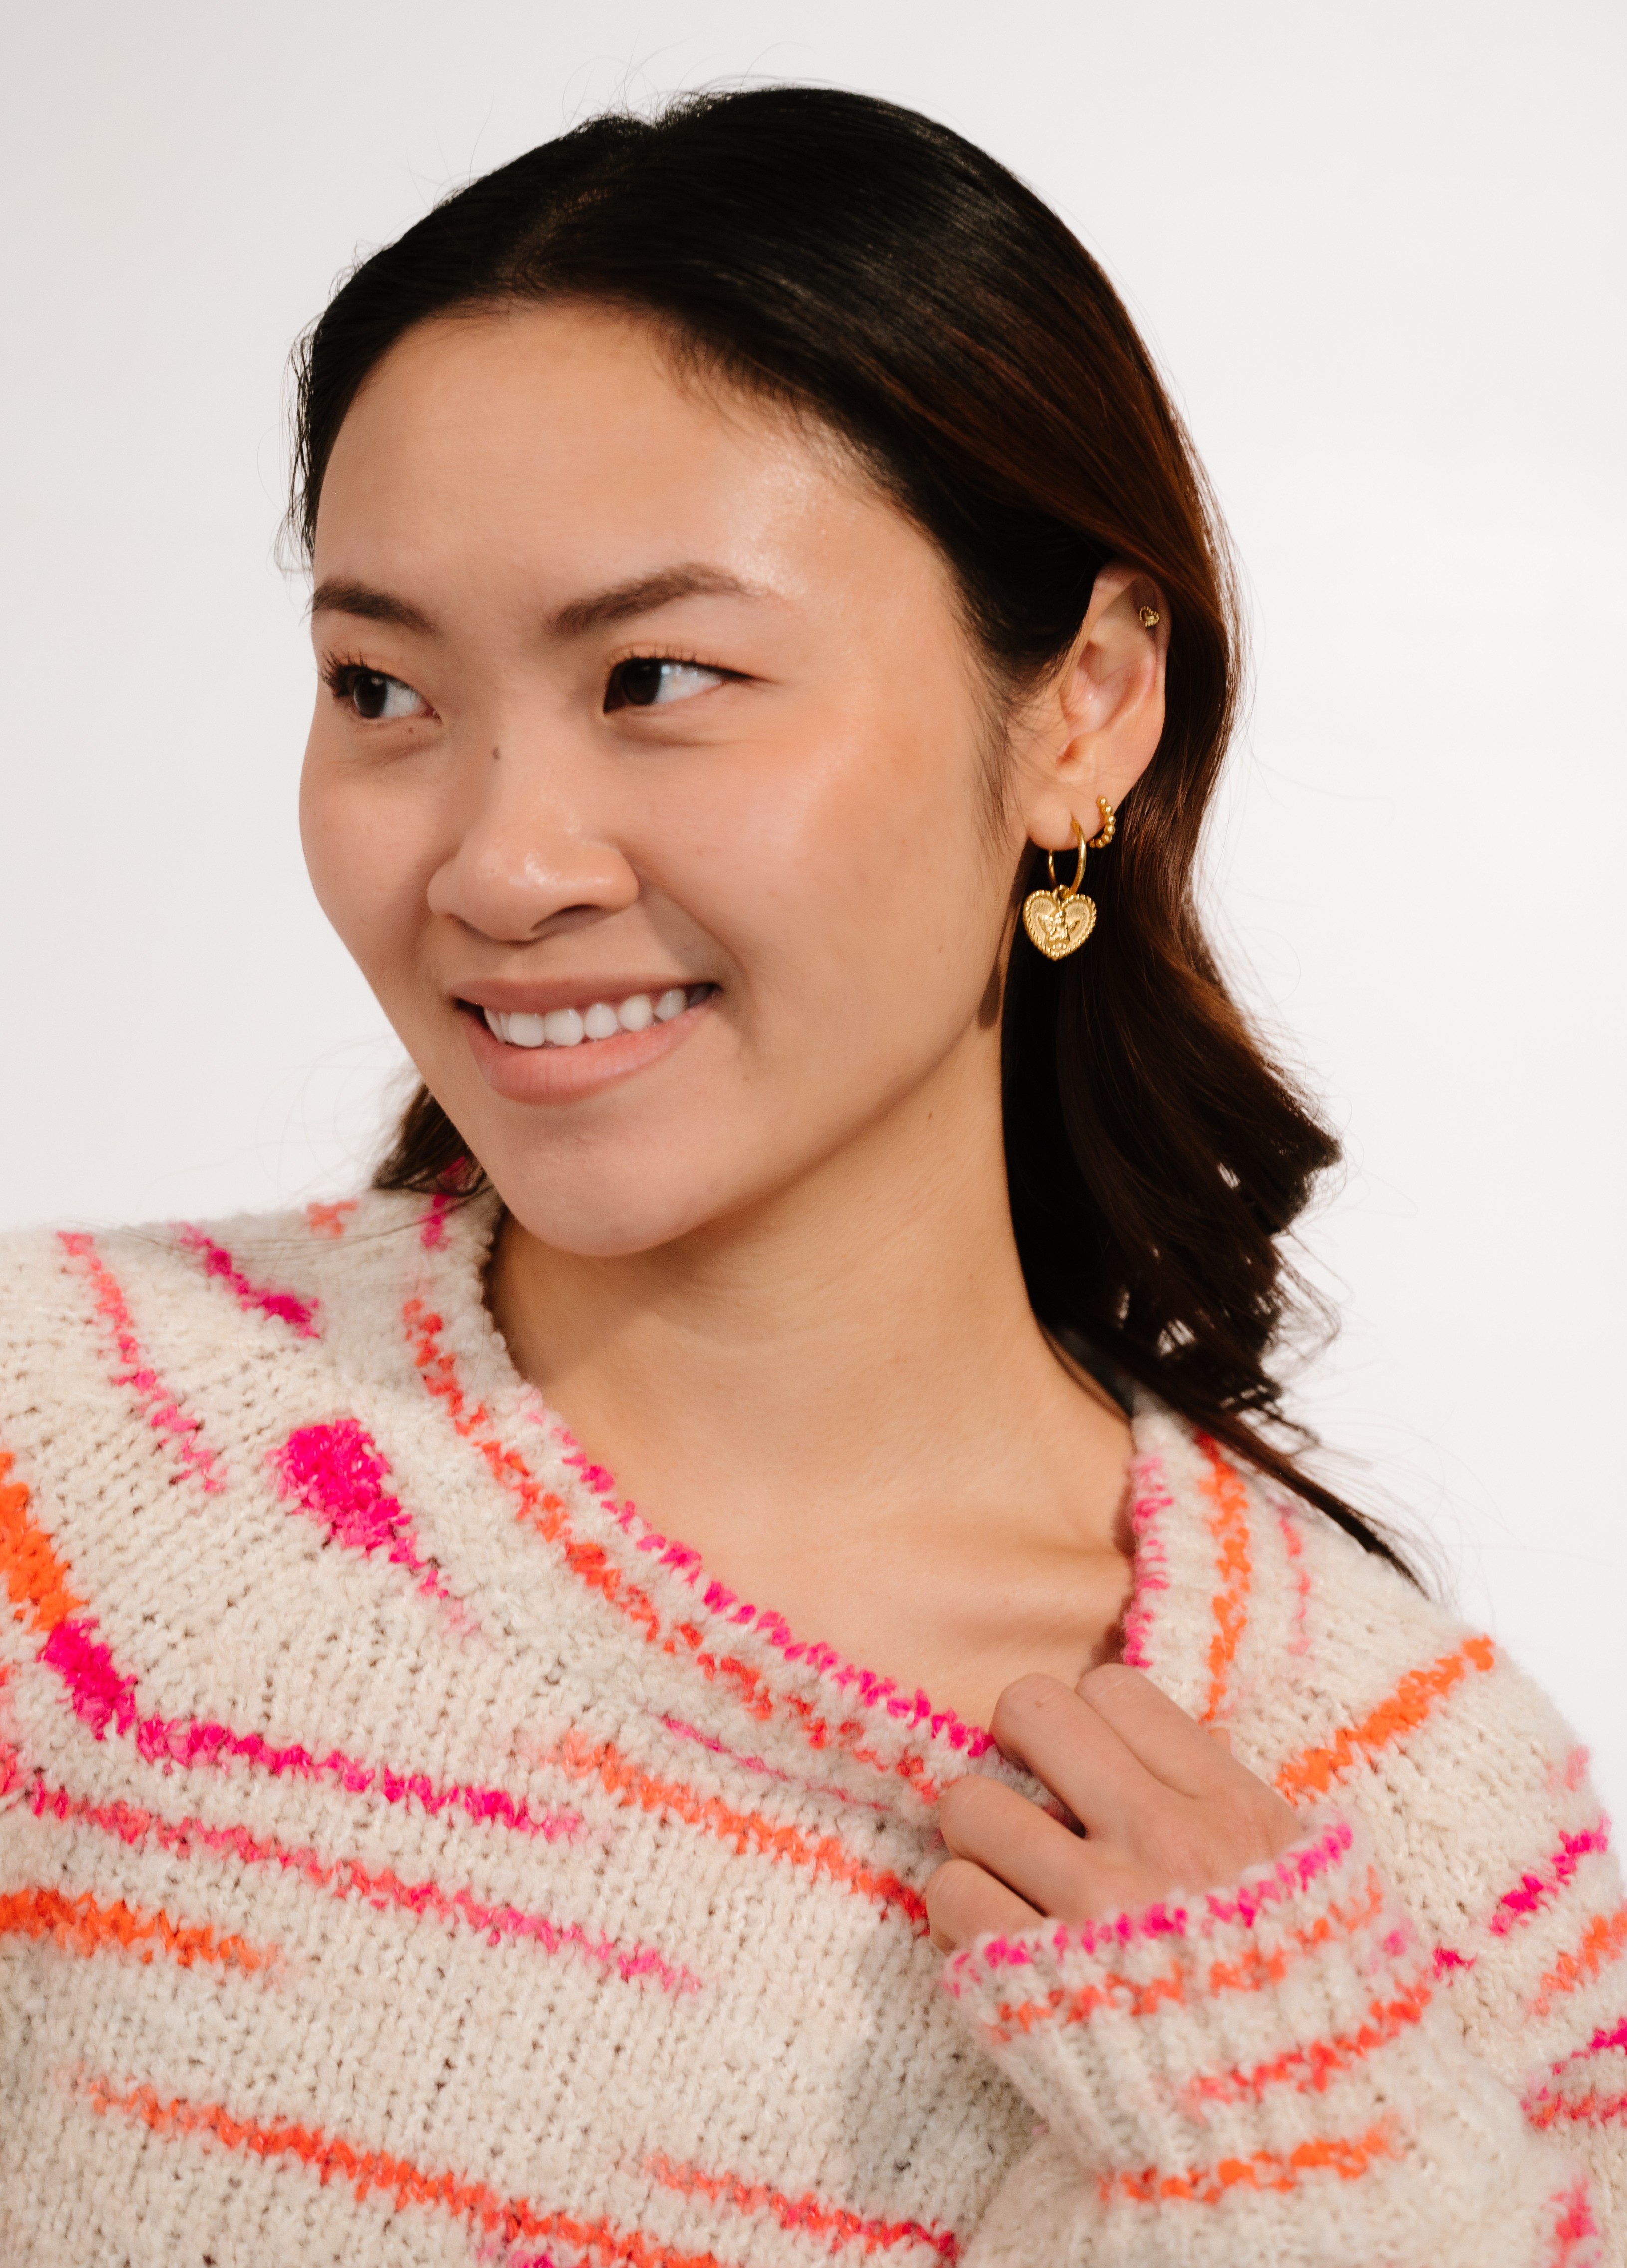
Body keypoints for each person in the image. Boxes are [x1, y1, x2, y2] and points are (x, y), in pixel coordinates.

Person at [0, 85, 1619, 2268]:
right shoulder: (63, 1464)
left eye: (656, 678)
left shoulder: (1427, 1853)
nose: (495, 861)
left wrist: (1321, 2177)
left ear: (1088, 710)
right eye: (381, 687)